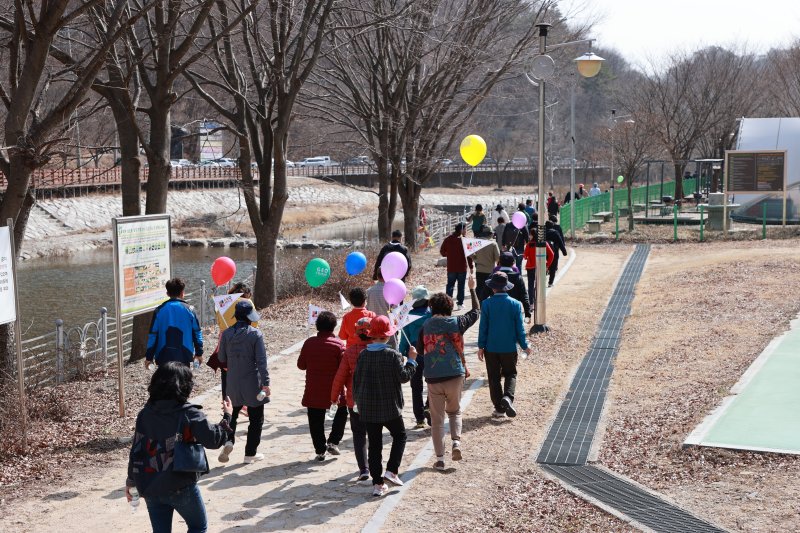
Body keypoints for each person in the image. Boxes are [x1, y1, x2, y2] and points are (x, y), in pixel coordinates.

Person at [126, 362, 233, 533]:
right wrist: (227, 416)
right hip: (180, 485)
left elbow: (136, 449)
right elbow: (213, 440)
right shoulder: (189, 413)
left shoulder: (145, 414)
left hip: (150, 486)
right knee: (198, 527)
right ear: (184, 387)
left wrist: (131, 481)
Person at [353, 316, 418, 497]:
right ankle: (391, 470)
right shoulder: (392, 355)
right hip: (390, 406)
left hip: (368, 408)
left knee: (375, 445)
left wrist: (357, 400)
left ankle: (377, 484)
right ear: (388, 336)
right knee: (400, 436)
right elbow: (404, 376)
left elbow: (356, 381)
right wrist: (412, 360)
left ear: (372, 335)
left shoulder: (363, 355)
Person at [420, 276, 480, 470]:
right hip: (455, 374)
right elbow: (476, 311)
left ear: (431, 308)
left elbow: (420, 350)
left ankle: (439, 459)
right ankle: (456, 442)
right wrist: (472, 289)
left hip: (433, 377)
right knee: (454, 411)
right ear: (449, 307)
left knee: (437, 420)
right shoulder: (458, 322)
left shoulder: (425, 326)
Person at [217, 301, 270, 463]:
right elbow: (261, 361)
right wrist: (266, 383)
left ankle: (228, 440)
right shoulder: (255, 334)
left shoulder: (226, 334)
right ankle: (250, 454)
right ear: (249, 317)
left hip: (232, 381)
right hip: (252, 382)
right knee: (256, 419)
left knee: (231, 415)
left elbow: (221, 358)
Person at [478, 272, 532, 418]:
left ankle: (499, 407)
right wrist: (524, 345)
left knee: (493, 376)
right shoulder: (515, 304)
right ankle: (507, 397)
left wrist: (481, 346)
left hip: (491, 347)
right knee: (511, 373)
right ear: (506, 287)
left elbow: (483, 327)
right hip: (509, 347)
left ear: (493, 288)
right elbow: (519, 329)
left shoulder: (486, 304)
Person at [298, 311, 348, 461]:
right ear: (333, 327)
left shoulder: (309, 343)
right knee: (342, 413)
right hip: (335, 390)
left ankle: (320, 449)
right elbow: (344, 369)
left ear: (317, 326)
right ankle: (333, 441)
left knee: (315, 420)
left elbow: (301, 365)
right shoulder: (339, 345)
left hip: (313, 389)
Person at [331, 317, 373, 481]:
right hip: (375, 399)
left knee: (359, 434)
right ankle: (376, 465)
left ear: (356, 333)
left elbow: (339, 377)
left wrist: (334, 398)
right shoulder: (379, 350)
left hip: (354, 400)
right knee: (374, 433)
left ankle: (363, 468)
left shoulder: (350, 352)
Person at [211, 282, 257, 402]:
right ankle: (243, 402)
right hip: (244, 339)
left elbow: (220, 323)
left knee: (226, 372)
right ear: (246, 294)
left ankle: (227, 402)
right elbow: (255, 323)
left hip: (225, 340)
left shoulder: (222, 302)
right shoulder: (247, 303)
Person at [145, 278, 203, 369]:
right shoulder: (190, 310)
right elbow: (197, 332)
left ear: (167, 294)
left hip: (163, 355)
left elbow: (153, 335)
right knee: (184, 381)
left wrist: (149, 357)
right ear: (182, 293)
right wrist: (199, 353)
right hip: (184, 355)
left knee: (165, 382)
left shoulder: (159, 311)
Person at [398, 286, 432, 429]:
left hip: (414, 353)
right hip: (430, 352)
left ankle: (419, 419)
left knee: (416, 387)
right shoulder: (431, 315)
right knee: (432, 383)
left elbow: (403, 341)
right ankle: (429, 407)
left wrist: (402, 353)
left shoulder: (407, 317)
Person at [440, 222, 473, 311]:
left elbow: (442, 252)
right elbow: (470, 256)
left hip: (451, 267)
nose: (466, 231)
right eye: (465, 229)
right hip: (462, 267)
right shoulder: (466, 240)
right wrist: (471, 267)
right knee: (461, 286)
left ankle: (447, 304)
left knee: (450, 285)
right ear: (461, 230)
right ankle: (460, 304)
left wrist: (450, 254)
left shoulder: (448, 239)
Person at [487, 252, 531, 319]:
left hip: (495, 311)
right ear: (513, 263)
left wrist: (484, 311)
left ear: (500, 263)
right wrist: (527, 313)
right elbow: (524, 296)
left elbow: (483, 295)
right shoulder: (518, 277)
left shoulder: (492, 277)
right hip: (513, 311)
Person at [523, 238, 554, 306]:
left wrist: (527, 256)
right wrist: (547, 265)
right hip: (541, 267)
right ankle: (539, 302)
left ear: (532, 235)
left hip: (530, 267)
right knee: (540, 285)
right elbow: (551, 254)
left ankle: (531, 303)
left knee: (530, 285)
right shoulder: (544, 243)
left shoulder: (529, 244)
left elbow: (525, 256)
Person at [472, 226, 500, 301]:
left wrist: (476, 259)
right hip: (490, 271)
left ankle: (480, 308)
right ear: (489, 234)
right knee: (491, 290)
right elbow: (498, 258)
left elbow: (471, 254)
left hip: (479, 270)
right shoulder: (493, 244)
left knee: (480, 290)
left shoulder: (477, 242)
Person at [546, 220, 568, 288]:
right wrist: (564, 252)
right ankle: (550, 282)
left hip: (544, 252)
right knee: (553, 267)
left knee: (543, 266)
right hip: (554, 252)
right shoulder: (555, 232)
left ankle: (541, 281)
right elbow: (560, 242)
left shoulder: (542, 233)